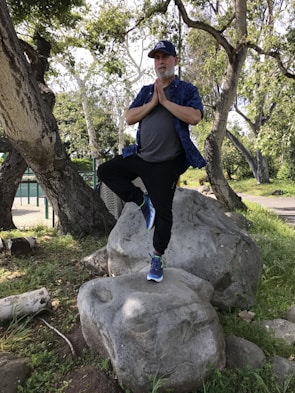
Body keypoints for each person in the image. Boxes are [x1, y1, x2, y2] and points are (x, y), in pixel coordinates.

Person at [97, 40, 206, 283]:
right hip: (141, 156)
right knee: (106, 171)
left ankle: (156, 258)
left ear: (175, 61)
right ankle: (140, 200)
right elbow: (129, 117)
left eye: (165, 56)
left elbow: (195, 117)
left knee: (164, 214)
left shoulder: (187, 90)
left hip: (167, 163)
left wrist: (166, 103)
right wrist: (153, 103)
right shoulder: (147, 91)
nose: (161, 61)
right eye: (157, 58)